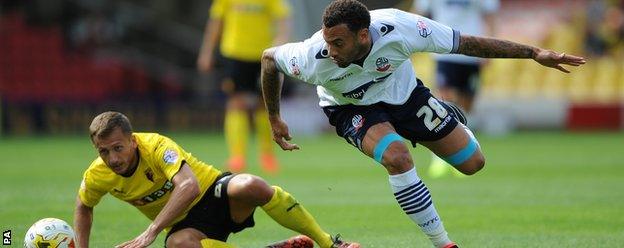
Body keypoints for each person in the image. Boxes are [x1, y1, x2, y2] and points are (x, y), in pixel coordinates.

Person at [260, 0, 585, 247]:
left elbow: (467, 43)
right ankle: (444, 243)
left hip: (407, 97)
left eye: (338, 43)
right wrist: (274, 117)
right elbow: (269, 59)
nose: (330, 51)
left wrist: (533, 53)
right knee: (398, 158)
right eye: (328, 42)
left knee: (473, 163)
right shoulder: (310, 56)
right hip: (350, 107)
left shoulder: (402, 28)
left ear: (363, 35)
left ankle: (445, 114)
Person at [73, 111, 359, 248]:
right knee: (178, 245)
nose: (113, 159)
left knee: (253, 185)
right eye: (104, 151)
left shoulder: (157, 146)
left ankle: (330, 244)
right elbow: (83, 205)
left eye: (118, 148)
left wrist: (151, 232)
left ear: (133, 142)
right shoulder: (98, 174)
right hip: (185, 224)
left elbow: (189, 186)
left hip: (213, 192)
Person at [197, 0, 292, 174]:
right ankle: (237, 156)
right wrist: (207, 52)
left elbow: (283, 17)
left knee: (264, 103)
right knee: (236, 103)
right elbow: (216, 22)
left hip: (263, 54)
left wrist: (281, 41)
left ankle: (267, 155)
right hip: (234, 53)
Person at [412, 0, 500, 178]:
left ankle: (464, 152)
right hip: (444, 51)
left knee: (467, 107)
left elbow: (490, 16)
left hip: (472, 52)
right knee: (444, 104)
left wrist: (489, 49)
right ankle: (440, 158)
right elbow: (417, 15)